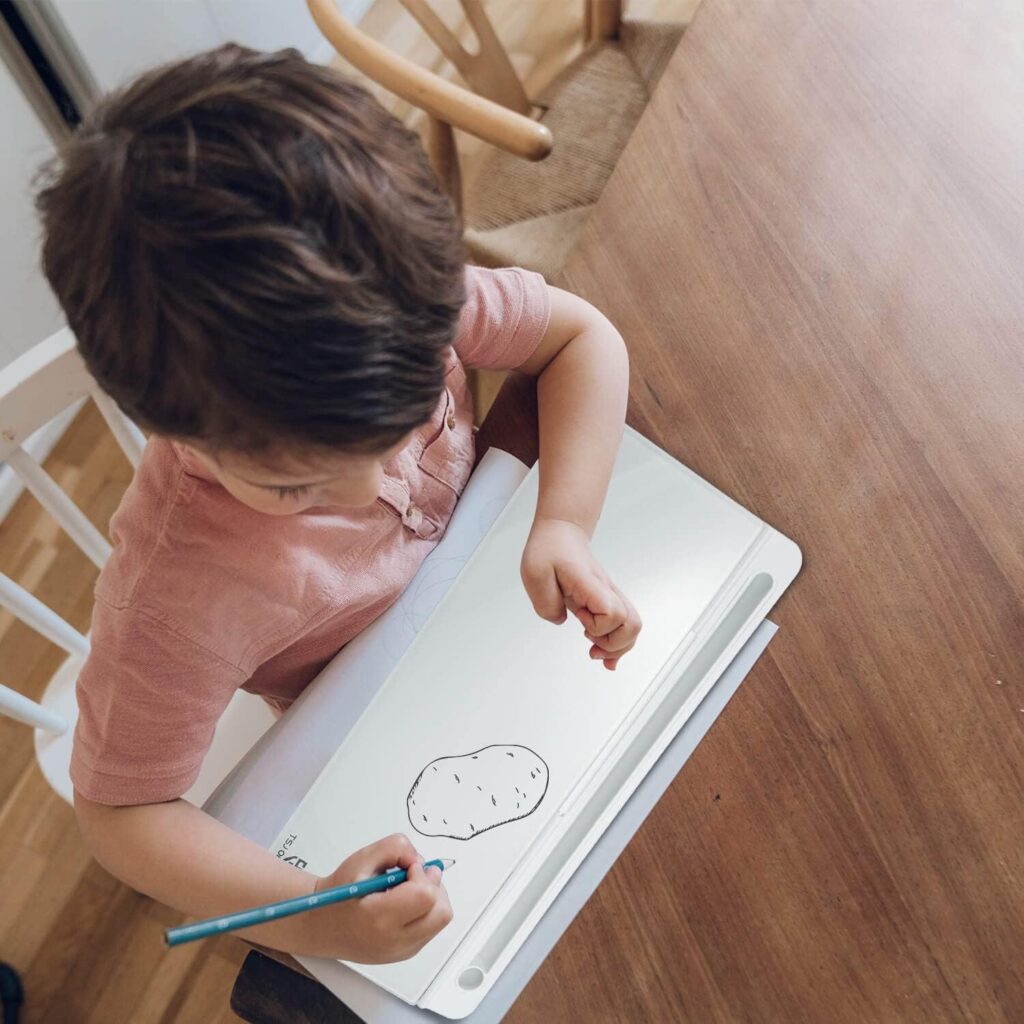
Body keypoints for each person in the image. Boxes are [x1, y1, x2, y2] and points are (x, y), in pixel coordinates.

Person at [35, 44, 640, 963]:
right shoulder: (175, 596)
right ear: (180, 431)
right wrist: (313, 910)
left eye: (401, 425)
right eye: (296, 486)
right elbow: (121, 816)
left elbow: (581, 337)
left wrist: (565, 521)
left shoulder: (391, 307)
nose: (368, 492)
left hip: (489, 611)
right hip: (369, 721)